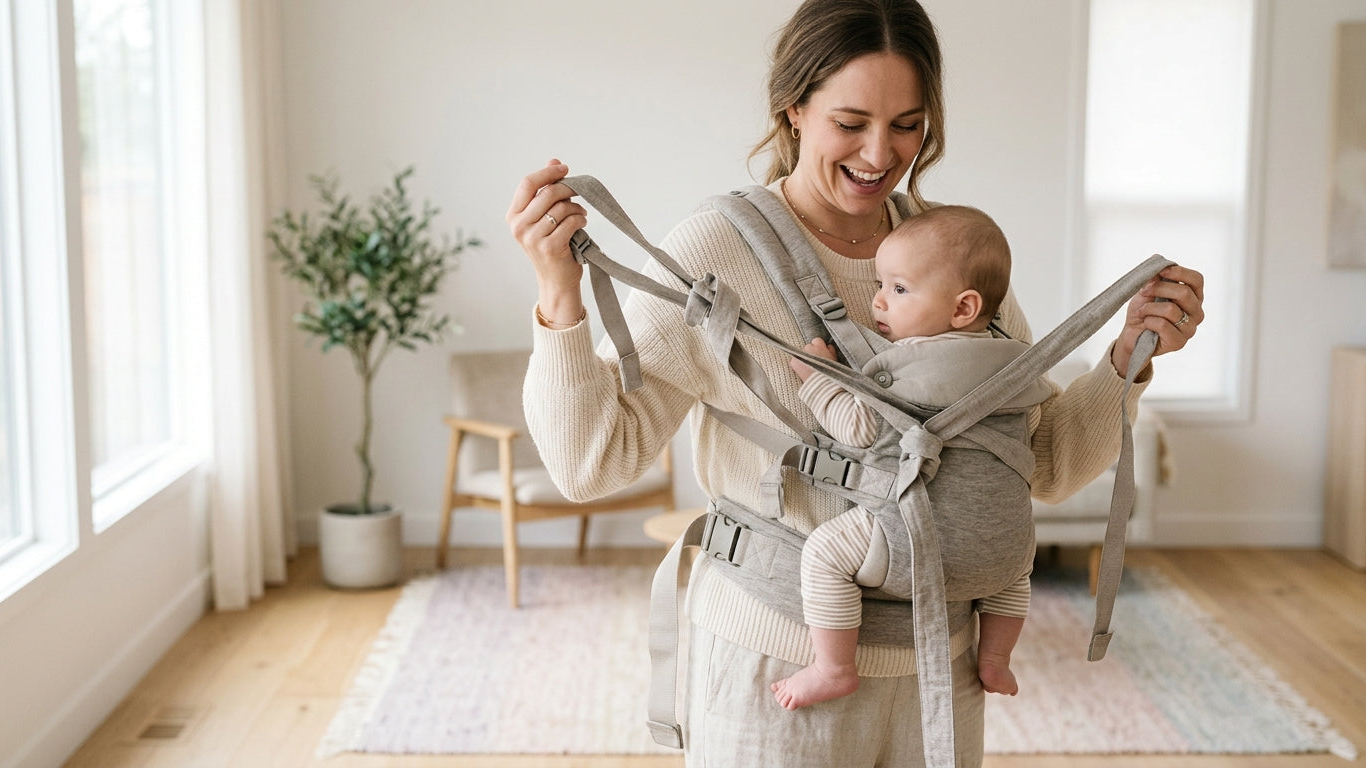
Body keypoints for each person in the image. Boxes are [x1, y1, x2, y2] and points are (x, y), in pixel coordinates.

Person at [506, 0, 1205, 764]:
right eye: (851, 122)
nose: (881, 153)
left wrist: (1127, 361)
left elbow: (1042, 466)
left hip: (942, 672)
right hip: (775, 666)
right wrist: (559, 296)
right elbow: (587, 465)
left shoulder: (951, 258)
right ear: (794, 108)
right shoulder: (717, 247)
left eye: (907, 125)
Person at [773, 204, 1030, 712]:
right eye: (881, 284)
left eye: (899, 288)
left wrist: (820, 379)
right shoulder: (1017, 369)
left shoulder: (912, 369)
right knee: (1014, 574)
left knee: (824, 553)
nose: (878, 302)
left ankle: (833, 667)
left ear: (962, 308)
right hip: (1005, 550)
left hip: (916, 542)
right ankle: (996, 658)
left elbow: (861, 429)